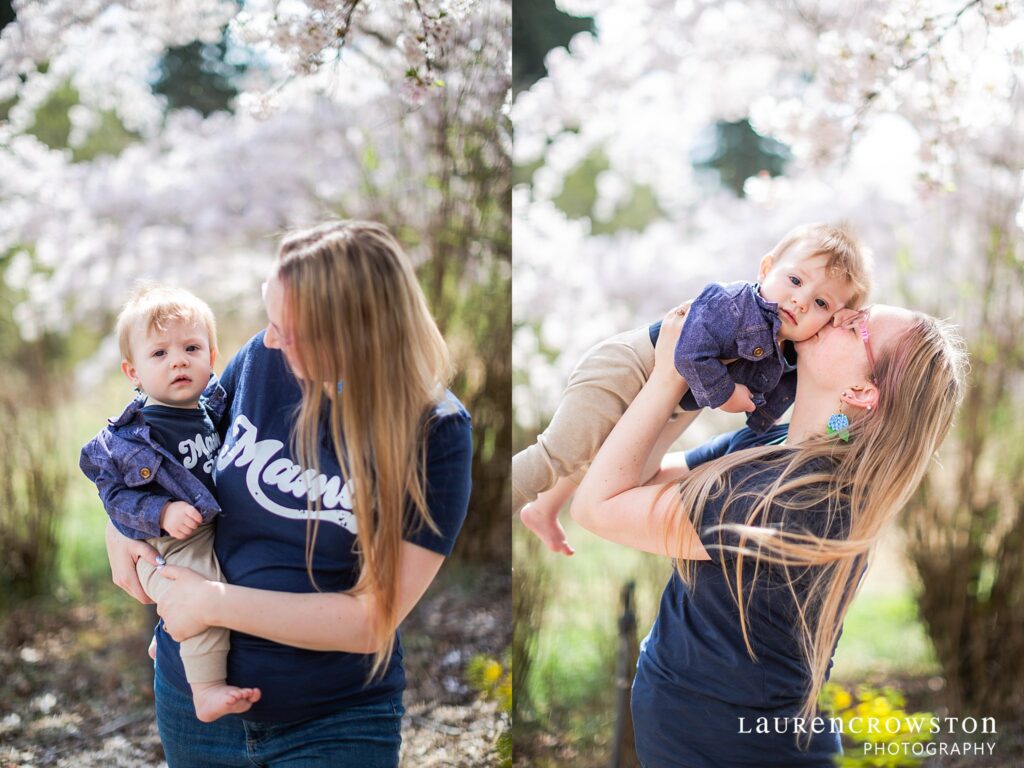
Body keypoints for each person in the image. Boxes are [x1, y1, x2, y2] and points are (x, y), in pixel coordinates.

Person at [105, 221, 473, 767]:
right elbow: (170, 442)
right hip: (195, 708)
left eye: (288, 327)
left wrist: (209, 602)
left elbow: (373, 619)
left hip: (332, 721)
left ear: (353, 330)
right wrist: (121, 528)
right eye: (269, 317)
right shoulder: (264, 358)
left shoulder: (433, 431)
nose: (270, 338)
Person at [570, 301, 967, 767]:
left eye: (858, 325)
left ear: (861, 391)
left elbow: (597, 506)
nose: (838, 313)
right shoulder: (777, 445)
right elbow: (639, 475)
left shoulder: (788, 502)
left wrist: (670, 377)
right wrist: (701, 376)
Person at [516, 222, 872, 556]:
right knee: (559, 454)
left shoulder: (798, 373)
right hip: (629, 370)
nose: (801, 301)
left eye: (823, 305)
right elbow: (688, 352)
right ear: (765, 269)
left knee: (598, 455)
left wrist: (846, 423)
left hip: (674, 400)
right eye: (794, 280)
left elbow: (828, 437)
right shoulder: (734, 306)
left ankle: (543, 508)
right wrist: (730, 396)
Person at [80, 284, 260, 722]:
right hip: (169, 544)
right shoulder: (132, 434)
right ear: (133, 372)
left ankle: (172, 640)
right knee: (201, 591)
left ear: (211, 358)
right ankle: (206, 691)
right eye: (159, 354)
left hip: (205, 530)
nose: (178, 360)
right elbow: (114, 496)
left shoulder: (212, 407)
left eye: (191, 347)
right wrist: (160, 511)